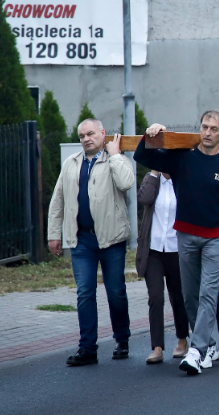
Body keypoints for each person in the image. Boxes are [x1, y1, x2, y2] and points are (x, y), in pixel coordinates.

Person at [134, 112, 219, 376]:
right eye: (204, 127)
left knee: (209, 292)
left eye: (213, 128)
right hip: (184, 235)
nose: (207, 132)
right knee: (189, 295)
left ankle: (196, 352)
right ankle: (207, 345)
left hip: (217, 238)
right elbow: (142, 157)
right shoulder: (183, 157)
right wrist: (150, 134)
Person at [48, 119, 134, 367]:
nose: (86, 139)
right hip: (82, 239)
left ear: (103, 134)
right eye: (82, 135)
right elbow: (58, 201)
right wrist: (54, 234)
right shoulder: (71, 163)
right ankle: (87, 348)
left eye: (91, 134)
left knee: (115, 292)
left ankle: (122, 340)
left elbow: (127, 183)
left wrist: (116, 155)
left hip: (111, 238)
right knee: (85, 293)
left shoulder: (114, 160)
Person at [136, 171, 191, 364]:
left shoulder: (183, 179)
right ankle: (157, 347)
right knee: (156, 297)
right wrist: (153, 172)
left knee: (178, 297)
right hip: (153, 250)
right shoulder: (153, 180)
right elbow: (143, 198)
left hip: (177, 249)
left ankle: (182, 340)